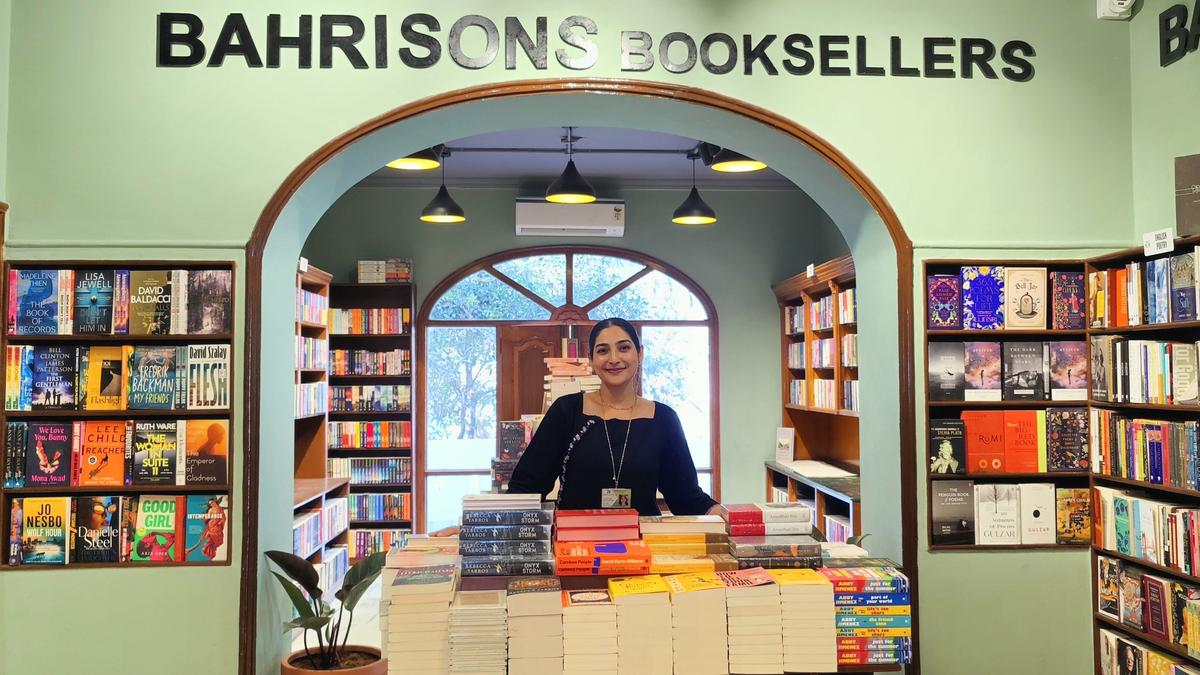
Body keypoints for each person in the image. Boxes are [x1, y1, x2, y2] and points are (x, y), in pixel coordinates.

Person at [431, 318, 718, 535]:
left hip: (641, 546)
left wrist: (728, 516)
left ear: (640, 354)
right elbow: (527, 487)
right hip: (573, 545)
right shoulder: (567, 411)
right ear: (591, 360)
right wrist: (476, 529)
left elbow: (685, 496)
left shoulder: (663, 418)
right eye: (602, 350)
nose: (614, 358)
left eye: (624, 347)